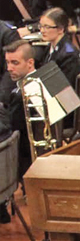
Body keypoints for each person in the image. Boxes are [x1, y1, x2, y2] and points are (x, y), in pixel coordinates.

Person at [0, 41, 37, 177]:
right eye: (7, 62)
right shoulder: (42, 77)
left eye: (15, 63)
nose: (9, 68)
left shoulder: (20, 95)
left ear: (30, 63)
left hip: (23, 157)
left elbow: (11, 129)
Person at [34, 8, 80, 89]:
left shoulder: (69, 55)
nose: (42, 30)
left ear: (60, 29)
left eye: (47, 27)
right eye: (41, 26)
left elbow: (64, 86)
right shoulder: (50, 47)